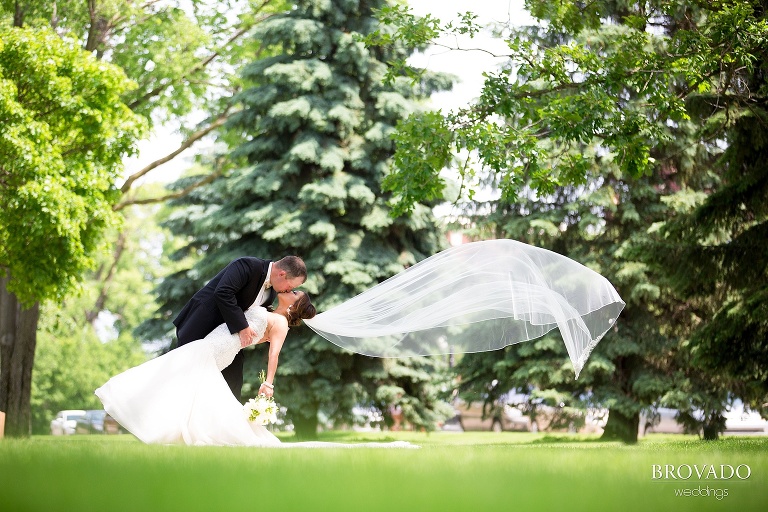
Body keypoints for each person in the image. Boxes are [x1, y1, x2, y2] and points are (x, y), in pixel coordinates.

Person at [96, 291, 316, 446]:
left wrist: (268, 383)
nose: (291, 290)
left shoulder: (281, 323)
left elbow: (273, 354)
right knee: (185, 383)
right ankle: (161, 423)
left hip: (219, 348)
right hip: (215, 341)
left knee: (171, 366)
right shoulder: (268, 310)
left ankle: (124, 396)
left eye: (295, 293)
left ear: (295, 305)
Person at [173, 255, 307, 401]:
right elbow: (223, 292)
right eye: (291, 286)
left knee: (232, 388)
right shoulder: (248, 265)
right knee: (183, 378)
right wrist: (243, 327)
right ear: (282, 274)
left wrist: (269, 331)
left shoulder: (273, 291)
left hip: (229, 340)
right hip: (201, 325)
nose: (288, 290)